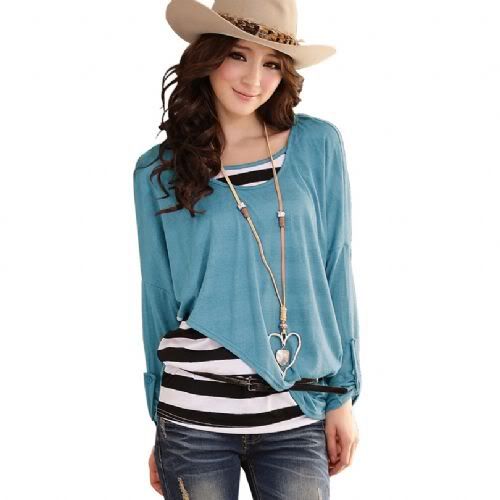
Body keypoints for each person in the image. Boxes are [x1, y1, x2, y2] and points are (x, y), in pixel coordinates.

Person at [132, 0, 362, 498]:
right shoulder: (159, 170)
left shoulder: (317, 145)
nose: (254, 79)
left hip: (296, 410)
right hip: (192, 416)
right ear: (209, 56)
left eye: (272, 63)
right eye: (238, 55)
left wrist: (341, 395)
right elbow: (157, 295)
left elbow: (335, 269)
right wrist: (158, 418)